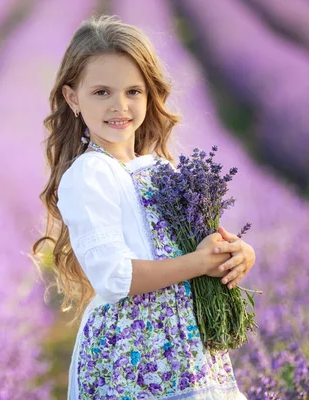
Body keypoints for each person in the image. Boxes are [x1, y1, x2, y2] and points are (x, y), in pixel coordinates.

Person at [32, 15, 256, 399]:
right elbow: (115, 278)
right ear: (73, 98)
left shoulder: (162, 168)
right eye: (102, 92)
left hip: (189, 353)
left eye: (133, 91)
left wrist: (235, 254)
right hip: (131, 362)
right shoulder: (89, 174)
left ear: (150, 95)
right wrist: (200, 264)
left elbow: (199, 247)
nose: (119, 106)